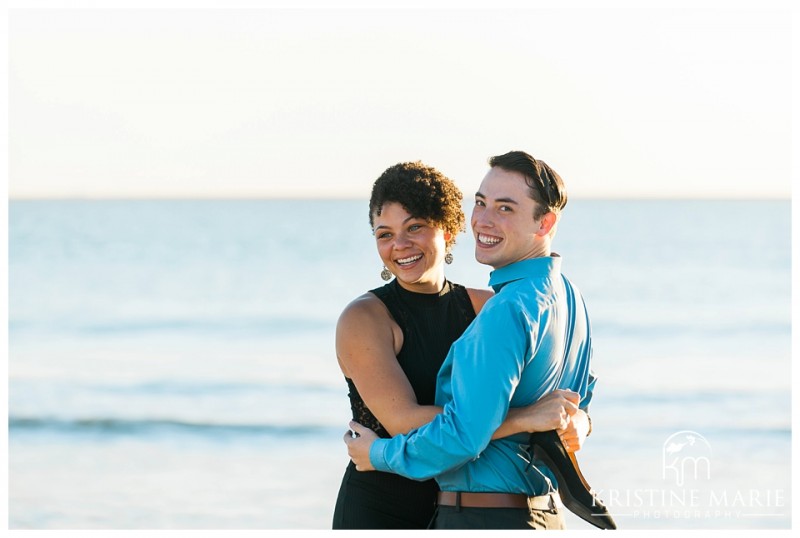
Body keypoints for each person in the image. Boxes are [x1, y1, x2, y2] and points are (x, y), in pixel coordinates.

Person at [345, 151, 597, 530]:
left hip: (485, 509)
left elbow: (572, 401)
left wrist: (577, 420)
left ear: (448, 230)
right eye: (480, 203)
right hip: (392, 505)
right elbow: (407, 421)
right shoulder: (565, 293)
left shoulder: (497, 307)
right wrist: (525, 419)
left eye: (414, 227)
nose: (399, 244)